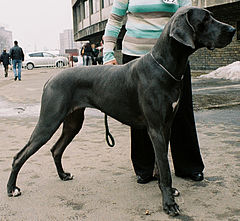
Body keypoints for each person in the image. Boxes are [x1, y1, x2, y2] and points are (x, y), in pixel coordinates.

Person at [103, 0, 204, 184]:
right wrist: (108, 54)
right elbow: (115, 20)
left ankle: (188, 166)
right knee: (140, 112)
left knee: (181, 112)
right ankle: (145, 168)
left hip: (173, 57)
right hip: (135, 56)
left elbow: (189, 14)